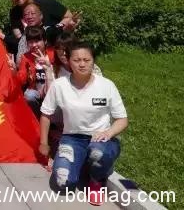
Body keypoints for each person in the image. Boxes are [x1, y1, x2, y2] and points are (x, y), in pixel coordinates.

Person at [40, 42, 128, 206]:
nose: (82, 64)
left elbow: (122, 119)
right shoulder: (60, 85)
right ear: (68, 61)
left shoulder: (106, 85)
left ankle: (96, 180)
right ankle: (79, 163)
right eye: (77, 60)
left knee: (97, 153)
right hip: (71, 139)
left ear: (93, 61)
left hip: (100, 139)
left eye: (86, 60)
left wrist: (108, 133)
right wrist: (43, 143)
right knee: (63, 182)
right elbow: (46, 114)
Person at [5, 0, 78, 45]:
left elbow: (69, 16)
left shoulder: (48, 3)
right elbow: (18, 36)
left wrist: (55, 30)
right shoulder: (14, 12)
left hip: (57, 46)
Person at [15, 26, 56, 117]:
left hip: (52, 88)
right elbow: (22, 79)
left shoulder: (52, 53)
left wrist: (48, 64)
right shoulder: (26, 57)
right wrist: (14, 71)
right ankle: (38, 118)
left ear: (45, 41)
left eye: (37, 41)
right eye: (31, 42)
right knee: (29, 95)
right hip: (36, 90)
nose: (34, 45)